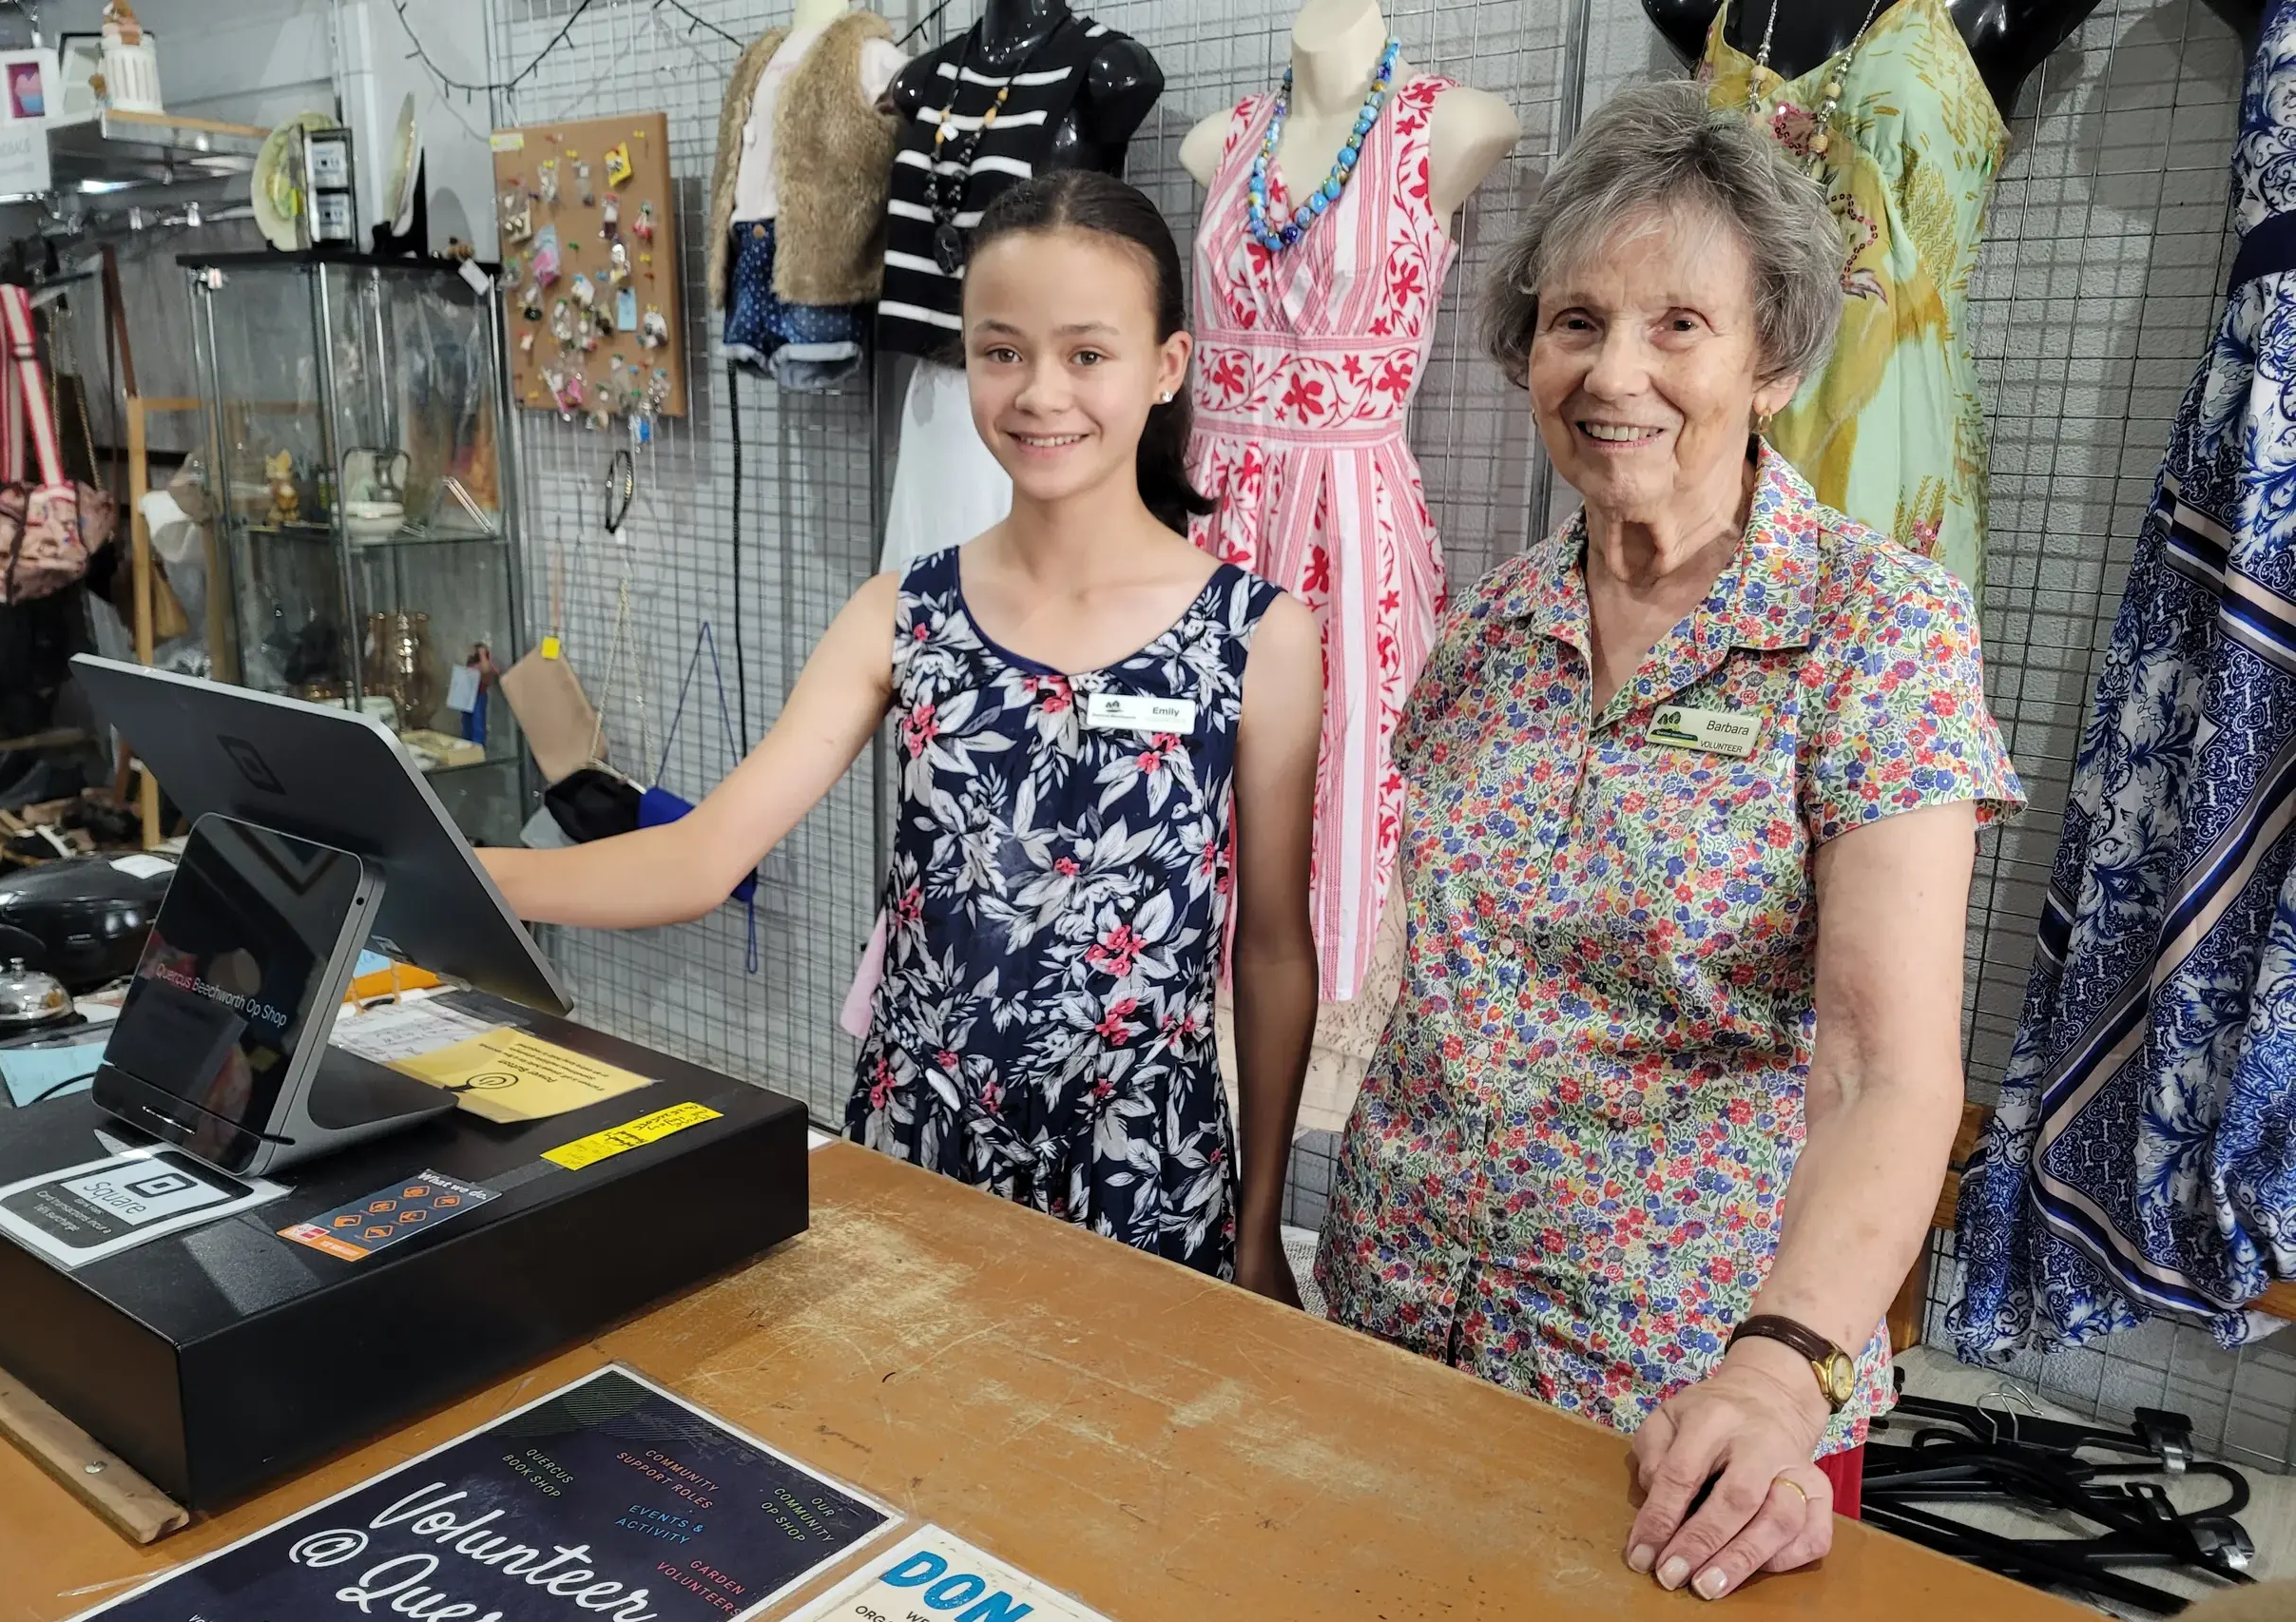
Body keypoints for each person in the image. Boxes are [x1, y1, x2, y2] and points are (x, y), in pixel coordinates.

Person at [1312, 79, 2027, 1598]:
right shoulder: (1490, 631)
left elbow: (1885, 1067)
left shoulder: (1871, 630)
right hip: (1391, 1303)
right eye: (1575, 321)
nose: (1613, 371)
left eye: (1677, 325)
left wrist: (1776, 1375)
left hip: (1677, 1397)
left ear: (1771, 358)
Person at [483, 170, 1323, 1302]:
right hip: (922, 1138)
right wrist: (461, 875)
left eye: (1086, 353)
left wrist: (1260, 1226)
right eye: (1000, 350)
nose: (1039, 393)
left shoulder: (1258, 636)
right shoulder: (900, 611)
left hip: (1142, 1170)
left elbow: (1271, 950)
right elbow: (702, 853)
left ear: (1166, 365)